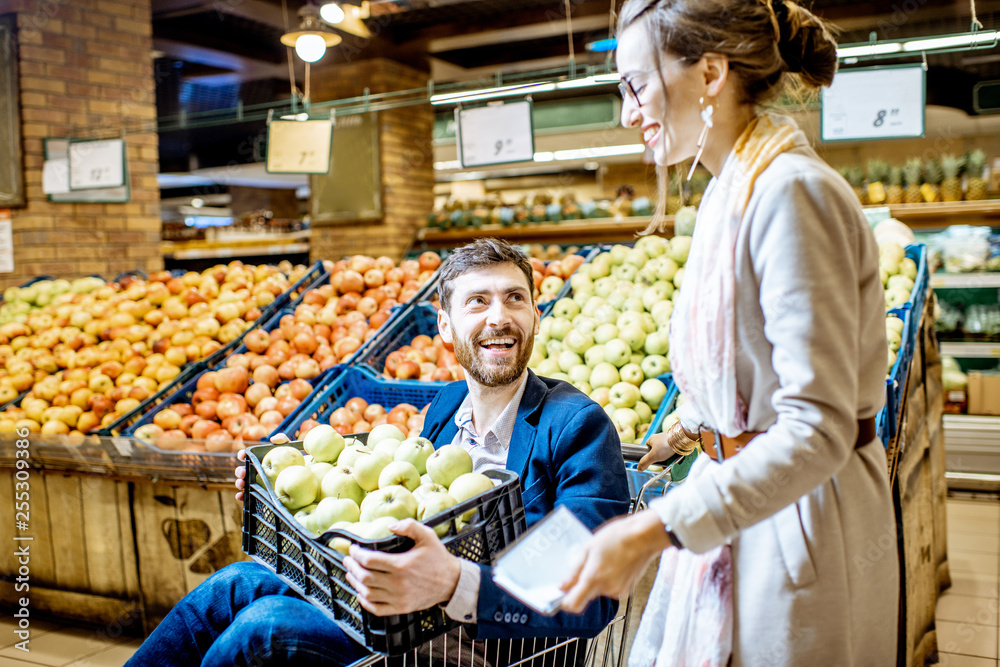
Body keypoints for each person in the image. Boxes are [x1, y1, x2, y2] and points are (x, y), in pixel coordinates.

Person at [559, 1, 899, 666]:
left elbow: (818, 426)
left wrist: (650, 531)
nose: (628, 114)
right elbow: (748, 363)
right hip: (740, 496)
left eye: (636, 85)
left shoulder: (792, 194)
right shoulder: (728, 188)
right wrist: (686, 430)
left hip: (799, 523)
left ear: (710, 73)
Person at [125, 238, 631, 667]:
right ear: (445, 326)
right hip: (397, 616)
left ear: (535, 318)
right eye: (477, 302)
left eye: (515, 299)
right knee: (231, 584)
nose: (499, 317)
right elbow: (397, 509)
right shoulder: (444, 407)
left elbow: (597, 590)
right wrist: (292, 502)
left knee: (264, 628)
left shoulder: (575, 424)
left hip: (482, 644)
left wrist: (457, 584)